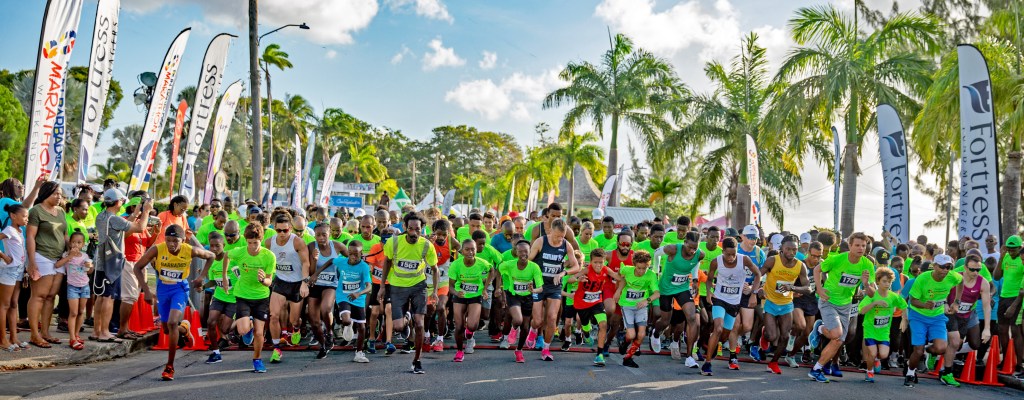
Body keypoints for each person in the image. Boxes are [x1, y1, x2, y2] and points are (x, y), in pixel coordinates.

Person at [135, 225, 215, 380]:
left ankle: (169, 366)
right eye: (168, 240)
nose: (171, 244)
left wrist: (201, 277)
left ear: (183, 240)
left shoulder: (189, 250)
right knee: (166, 329)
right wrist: (146, 290)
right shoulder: (157, 249)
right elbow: (137, 267)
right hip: (163, 289)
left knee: (172, 323)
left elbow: (211, 256)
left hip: (179, 288)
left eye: (175, 241)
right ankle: (184, 329)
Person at [379, 212, 439, 374]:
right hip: (397, 287)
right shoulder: (393, 242)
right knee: (398, 327)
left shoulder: (426, 245)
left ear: (422, 229)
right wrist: (383, 286)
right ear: (405, 227)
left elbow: (435, 269)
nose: (414, 233)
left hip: (418, 286)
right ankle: (406, 317)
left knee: (419, 324)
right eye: (411, 229)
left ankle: (417, 361)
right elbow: (387, 262)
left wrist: (435, 291)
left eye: (417, 229)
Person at [701, 237, 761, 376]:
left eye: (733, 254)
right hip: (719, 299)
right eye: (728, 254)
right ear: (722, 251)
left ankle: (715, 343)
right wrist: (709, 293)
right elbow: (709, 279)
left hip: (734, 302)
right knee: (718, 328)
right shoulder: (716, 261)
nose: (731, 258)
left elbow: (758, 274)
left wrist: (753, 293)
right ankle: (707, 363)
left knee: (724, 336)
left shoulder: (744, 260)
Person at [224, 223, 277, 373]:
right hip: (243, 295)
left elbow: (270, 281)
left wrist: (263, 280)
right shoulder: (240, 252)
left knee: (259, 333)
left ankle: (257, 360)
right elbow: (226, 255)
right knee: (242, 330)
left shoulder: (269, 256)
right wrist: (225, 276)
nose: (253, 246)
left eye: (256, 243)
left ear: (261, 240)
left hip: (261, 297)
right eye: (250, 243)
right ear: (246, 240)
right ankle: (249, 326)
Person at [902, 253, 961, 387]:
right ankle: (910, 373)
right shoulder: (922, 279)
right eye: (942, 267)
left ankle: (924, 351)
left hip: (937, 317)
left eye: (948, 267)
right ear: (934, 266)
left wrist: (957, 301)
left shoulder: (952, 276)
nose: (945, 270)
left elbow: (961, 282)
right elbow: (912, 301)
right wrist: (925, 305)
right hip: (918, 316)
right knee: (917, 351)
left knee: (941, 348)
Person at [527, 218, 581, 361]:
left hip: (554, 286)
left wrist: (563, 273)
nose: (559, 239)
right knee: (538, 321)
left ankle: (546, 349)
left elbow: (576, 266)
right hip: (539, 285)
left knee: (551, 318)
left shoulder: (566, 244)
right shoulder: (540, 242)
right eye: (557, 236)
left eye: (562, 236)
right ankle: (533, 330)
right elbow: (529, 261)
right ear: (550, 231)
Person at [265, 213, 311, 363]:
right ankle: (276, 348)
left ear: (290, 228)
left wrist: (304, 283)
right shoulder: (269, 242)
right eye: (279, 230)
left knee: (294, 320)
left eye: (285, 230)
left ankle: (296, 329)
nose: (282, 233)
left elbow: (306, 263)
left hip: (297, 283)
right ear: (274, 228)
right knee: (274, 315)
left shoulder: (297, 242)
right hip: (280, 282)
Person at [760, 235, 810, 374]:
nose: (791, 252)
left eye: (794, 249)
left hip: (786, 303)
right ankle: (765, 334)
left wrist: (792, 288)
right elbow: (759, 275)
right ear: (782, 248)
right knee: (772, 337)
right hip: (770, 301)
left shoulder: (800, 266)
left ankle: (773, 363)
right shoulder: (772, 260)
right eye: (788, 249)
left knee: (785, 336)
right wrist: (758, 289)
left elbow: (808, 288)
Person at [940, 254, 992, 386]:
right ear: (965, 267)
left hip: (967, 315)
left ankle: (937, 353)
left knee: (962, 344)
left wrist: (987, 328)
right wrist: (944, 303)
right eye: (972, 269)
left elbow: (986, 306)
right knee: (954, 342)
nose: (975, 272)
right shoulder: (955, 277)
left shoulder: (983, 283)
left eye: (978, 269)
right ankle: (947, 373)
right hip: (951, 313)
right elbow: (941, 290)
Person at [25, 181, 66, 348]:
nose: (59, 197)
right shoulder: (36, 211)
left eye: (60, 194)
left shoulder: (61, 211)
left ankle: (45, 333)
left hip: (59, 259)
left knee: (51, 297)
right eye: (55, 193)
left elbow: (64, 235)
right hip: (42, 256)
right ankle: (34, 335)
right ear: (46, 193)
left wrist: (72, 251)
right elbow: (30, 237)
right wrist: (32, 261)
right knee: (39, 296)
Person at [652, 231, 702, 366]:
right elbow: (656, 253)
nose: (692, 251)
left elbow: (696, 262)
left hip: (682, 288)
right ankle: (655, 333)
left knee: (692, 318)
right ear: (684, 242)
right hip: (666, 288)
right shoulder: (673, 249)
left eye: (695, 248)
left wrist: (695, 279)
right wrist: (656, 272)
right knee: (665, 321)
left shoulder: (699, 254)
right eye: (690, 247)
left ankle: (689, 357)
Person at [568, 249, 621, 367]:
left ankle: (599, 355)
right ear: (591, 262)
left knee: (603, 324)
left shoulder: (606, 270)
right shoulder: (586, 270)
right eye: (595, 262)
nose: (598, 265)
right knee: (586, 327)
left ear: (604, 262)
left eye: (601, 262)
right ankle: (586, 334)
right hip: (582, 304)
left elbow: (619, 278)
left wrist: (625, 274)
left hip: (597, 302)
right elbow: (570, 280)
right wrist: (578, 279)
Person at [495, 240, 544, 362]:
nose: (523, 254)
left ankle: (519, 350)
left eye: (526, 251)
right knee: (518, 320)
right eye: (520, 251)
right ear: (516, 252)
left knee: (526, 328)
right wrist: (499, 287)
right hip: (514, 296)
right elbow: (498, 270)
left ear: (530, 252)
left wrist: (534, 290)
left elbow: (540, 287)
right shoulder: (509, 264)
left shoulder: (534, 267)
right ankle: (514, 328)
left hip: (528, 297)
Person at [448, 239, 495, 362]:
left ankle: (469, 334)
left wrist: (485, 288)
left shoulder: (482, 263)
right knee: (459, 326)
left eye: (473, 249)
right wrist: (457, 293)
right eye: (467, 249)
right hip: (460, 296)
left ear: (476, 250)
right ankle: (459, 351)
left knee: (472, 325)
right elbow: (450, 286)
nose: (470, 252)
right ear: (462, 251)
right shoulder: (456, 265)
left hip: (475, 295)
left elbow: (492, 270)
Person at [858, 267, 907, 383]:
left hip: (884, 330)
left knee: (884, 355)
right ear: (878, 281)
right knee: (872, 352)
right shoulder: (872, 296)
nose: (887, 284)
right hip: (870, 328)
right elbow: (862, 311)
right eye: (884, 281)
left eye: (889, 282)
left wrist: (904, 319)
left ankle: (877, 360)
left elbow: (904, 305)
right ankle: (869, 372)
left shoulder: (893, 296)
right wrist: (875, 303)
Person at [194, 231, 236, 364]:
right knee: (210, 322)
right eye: (211, 246)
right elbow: (213, 281)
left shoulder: (232, 259)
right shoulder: (210, 261)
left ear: (224, 245)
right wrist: (203, 287)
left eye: (217, 246)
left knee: (225, 329)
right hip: (219, 296)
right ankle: (216, 352)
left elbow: (241, 277)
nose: (214, 249)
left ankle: (247, 322)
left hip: (233, 298)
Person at [307, 222, 345, 359]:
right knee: (314, 321)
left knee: (326, 308)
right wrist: (314, 259)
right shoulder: (311, 246)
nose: (321, 238)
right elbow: (310, 272)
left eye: (324, 234)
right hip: (315, 285)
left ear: (329, 234)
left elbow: (352, 258)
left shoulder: (337, 246)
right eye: (318, 235)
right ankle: (323, 345)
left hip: (331, 284)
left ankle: (329, 333)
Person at [617, 250, 660, 368]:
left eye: (644, 268)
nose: (641, 271)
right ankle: (624, 343)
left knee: (641, 335)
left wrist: (647, 300)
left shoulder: (651, 275)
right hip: (627, 305)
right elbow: (621, 275)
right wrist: (618, 290)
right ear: (634, 265)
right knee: (631, 335)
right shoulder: (627, 270)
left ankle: (628, 358)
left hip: (641, 306)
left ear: (648, 266)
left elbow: (657, 293)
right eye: (639, 268)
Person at [336, 240, 372, 363]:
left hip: (358, 299)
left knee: (361, 327)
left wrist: (359, 293)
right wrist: (316, 274)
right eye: (350, 253)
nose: (352, 256)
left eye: (356, 254)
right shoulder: (341, 261)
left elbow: (369, 287)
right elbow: (330, 261)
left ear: (361, 254)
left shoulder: (364, 267)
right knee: (346, 320)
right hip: (343, 296)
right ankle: (348, 324)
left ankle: (359, 353)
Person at [789, 241, 824, 366]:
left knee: (807, 333)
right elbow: (788, 282)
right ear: (808, 252)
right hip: (798, 299)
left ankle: (791, 355)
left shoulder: (822, 265)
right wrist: (793, 292)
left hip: (811, 300)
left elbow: (825, 282)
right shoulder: (799, 264)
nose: (816, 259)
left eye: (819, 256)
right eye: (813, 256)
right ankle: (791, 336)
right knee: (801, 325)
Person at [994, 235, 1024, 377]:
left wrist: (1015, 304)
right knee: (1002, 329)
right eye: (1009, 249)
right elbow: (996, 276)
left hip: (1017, 297)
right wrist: (1001, 257)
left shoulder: (1022, 259)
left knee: (1016, 331)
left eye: (1014, 249)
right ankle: (1007, 359)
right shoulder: (1005, 257)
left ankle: (1020, 364)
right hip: (1004, 296)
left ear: (1020, 248)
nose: (1011, 251)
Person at [56, 232, 92, 350]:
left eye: (79, 242)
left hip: (84, 286)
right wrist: (69, 256)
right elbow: (57, 265)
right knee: (73, 313)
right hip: (72, 287)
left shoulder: (85, 256)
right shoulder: (67, 255)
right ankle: (72, 338)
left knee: (81, 312)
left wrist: (89, 266)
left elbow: (89, 271)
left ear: (83, 244)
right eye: (74, 242)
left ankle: (76, 335)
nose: (76, 244)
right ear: (70, 243)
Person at [0, 203, 28, 352]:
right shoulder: (9, 230)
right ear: (13, 216)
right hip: (9, 270)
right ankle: (2, 339)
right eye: (24, 216)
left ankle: (13, 337)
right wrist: (4, 256)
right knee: (4, 305)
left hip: (18, 270)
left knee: (13, 304)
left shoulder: (19, 230)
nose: (26, 219)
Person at [428, 219, 457, 352]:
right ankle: (427, 335)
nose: (440, 237)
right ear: (433, 232)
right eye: (438, 234)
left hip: (443, 281)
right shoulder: (427, 242)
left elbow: (462, 250)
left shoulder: (451, 241)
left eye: (444, 235)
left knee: (440, 307)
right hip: (428, 282)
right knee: (429, 310)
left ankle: (440, 339)